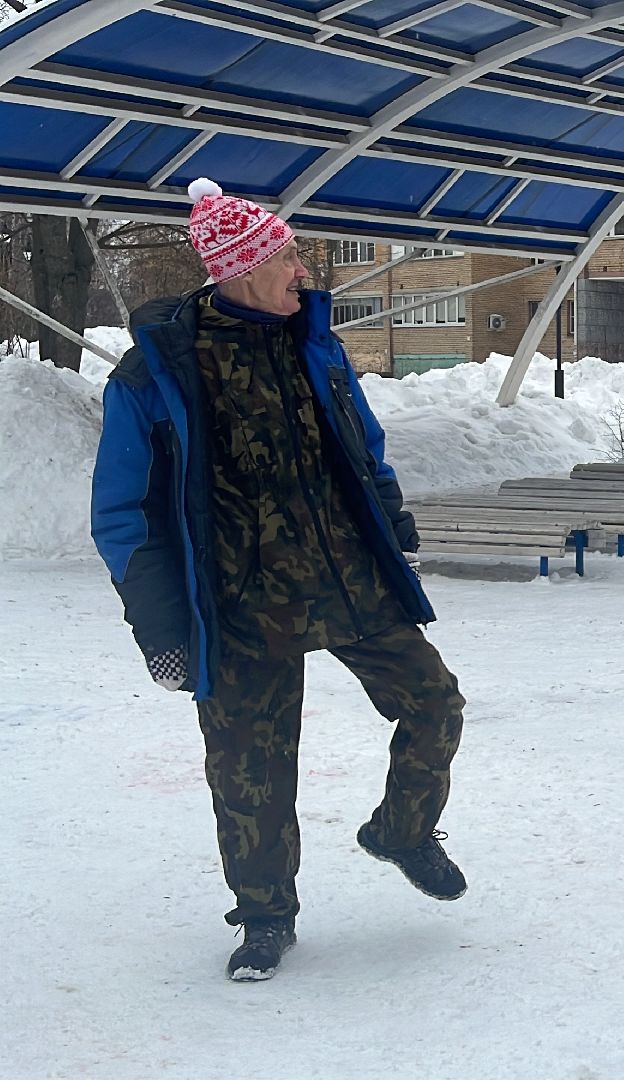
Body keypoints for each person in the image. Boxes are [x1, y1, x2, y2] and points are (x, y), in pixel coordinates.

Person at [90, 179, 468, 980]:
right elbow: (123, 513)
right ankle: (265, 915)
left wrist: (391, 522)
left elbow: (364, 443)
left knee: (435, 701)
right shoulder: (157, 373)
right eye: (287, 255)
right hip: (238, 600)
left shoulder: (316, 343)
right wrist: (160, 627)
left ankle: (402, 830)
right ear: (242, 268)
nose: (302, 270)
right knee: (249, 766)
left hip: (344, 576)